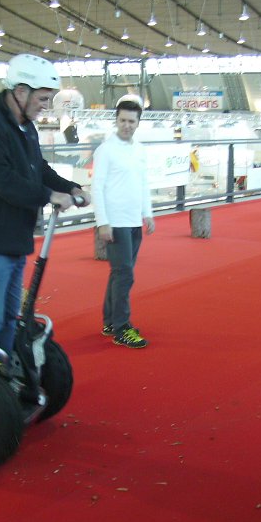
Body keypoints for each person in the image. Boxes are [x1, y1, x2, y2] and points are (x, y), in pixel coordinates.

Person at [0, 54, 90, 355]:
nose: (46, 105)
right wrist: (48, 196)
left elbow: (37, 168)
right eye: (43, 98)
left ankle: (0, 379)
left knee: (8, 318)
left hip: (14, 239)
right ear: (20, 92)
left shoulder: (27, 127)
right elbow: (1, 180)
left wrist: (68, 187)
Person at [92, 97, 154, 349]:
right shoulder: (106, 150)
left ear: (138, 123)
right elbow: (97, 187)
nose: (127, 125)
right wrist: (102, 222)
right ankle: (121, 327)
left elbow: (143, 183)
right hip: (115, 222)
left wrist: (147, 213)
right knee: (124, 274)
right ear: (116, 121)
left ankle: (110, 321)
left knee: (120, 273)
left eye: (131, 121)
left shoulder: (139, 149)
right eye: (123, 121)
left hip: (132, 221)